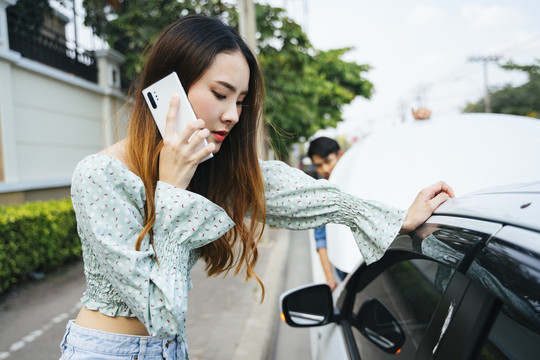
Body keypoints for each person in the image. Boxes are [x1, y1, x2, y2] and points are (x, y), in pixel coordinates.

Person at [60, 15, 454, 360]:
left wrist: (395, 217)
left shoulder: (210, 167)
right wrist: (172, 189)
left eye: (241, 100)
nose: (232, 115)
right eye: (219, 94)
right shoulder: (100, 176)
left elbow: (301, 195)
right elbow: (162, 313)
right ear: (168, 90)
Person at [307, 137, 346, 289]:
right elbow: (321, 239)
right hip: (347, 270)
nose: (325, 169)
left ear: (340, 155)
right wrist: (330, 280)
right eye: (319, 165)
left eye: (328, 161)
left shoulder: (359, 178)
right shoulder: (320, 196)